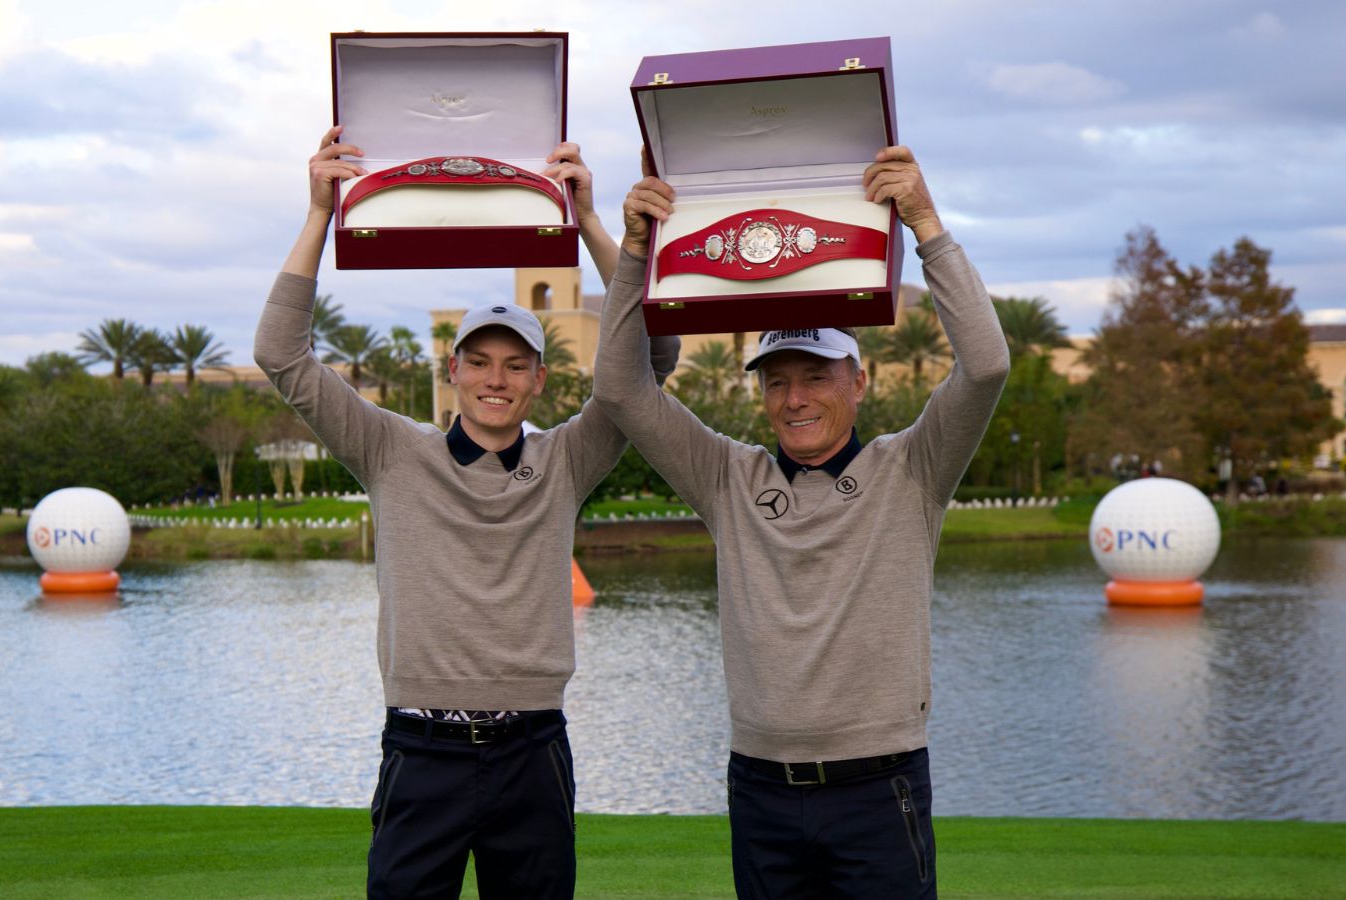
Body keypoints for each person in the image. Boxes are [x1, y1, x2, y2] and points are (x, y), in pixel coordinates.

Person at [254, 126, 678, 899]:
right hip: (423, 750)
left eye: (515, 365)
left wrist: (588, 221)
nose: (496, 379)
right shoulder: (390, 449)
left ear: (539, 381)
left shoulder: (566, 459)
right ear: (453, 371)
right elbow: (282, 354)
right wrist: (319, 212)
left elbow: (653, 360)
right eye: (479, 361)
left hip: (533, 750)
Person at [595, 145, 1009, 898]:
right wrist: (633, 253)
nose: (795, 399)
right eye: (778, 381)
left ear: (858, 380)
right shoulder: (727, 477)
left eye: (816, 376)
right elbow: (622, 390)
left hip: (878, 789)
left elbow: (984, 367)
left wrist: (924, 222)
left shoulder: (911, 469)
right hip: (760, 790)